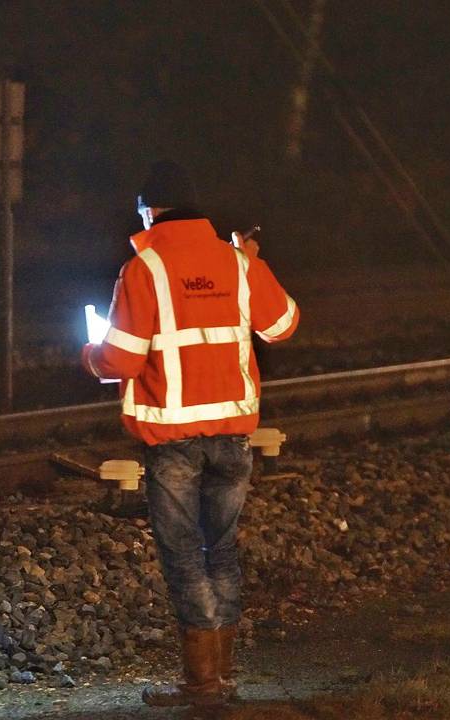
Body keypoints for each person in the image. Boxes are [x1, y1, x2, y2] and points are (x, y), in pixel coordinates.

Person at [81, 160, 299, 706]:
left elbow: (122, 361)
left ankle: (202, 685)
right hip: (232, 439)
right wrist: (253, 262)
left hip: (173, 439)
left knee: (183, 557)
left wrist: (89, 353)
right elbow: (283, 325)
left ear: (150, 211)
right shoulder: (238, 263)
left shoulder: (145, 269)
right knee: (220, 551)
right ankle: (219, 676)